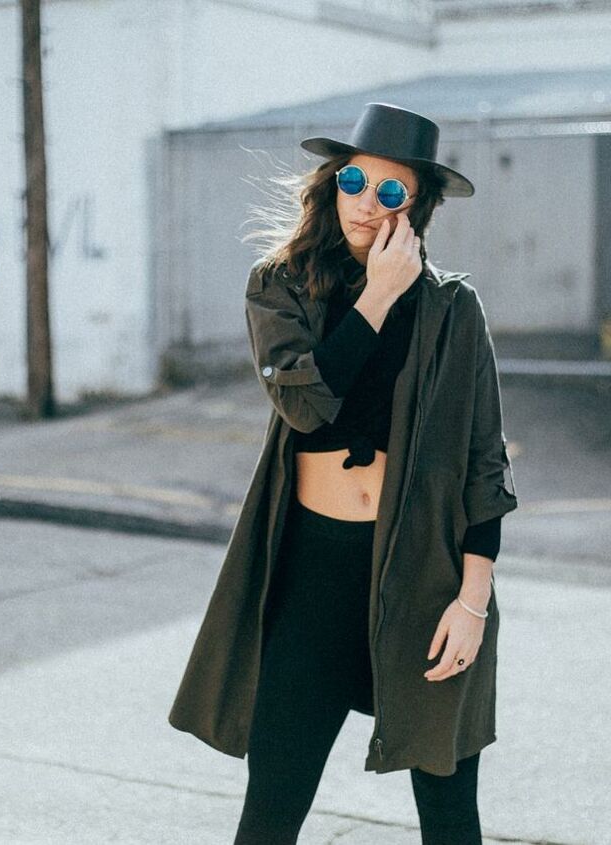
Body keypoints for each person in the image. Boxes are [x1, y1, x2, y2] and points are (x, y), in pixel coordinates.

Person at [167, 103, 519, 845]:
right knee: (272, 811)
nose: (365, 202)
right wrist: (378, 295)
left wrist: (473, 601)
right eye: (354, 181)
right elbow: (305, 406)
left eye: (390, 191)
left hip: (428, 577)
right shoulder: (281, 286)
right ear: (333, 183)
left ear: (416, 205)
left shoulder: (453, 308)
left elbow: (485, 461)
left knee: (450, 815)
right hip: (313, 575)